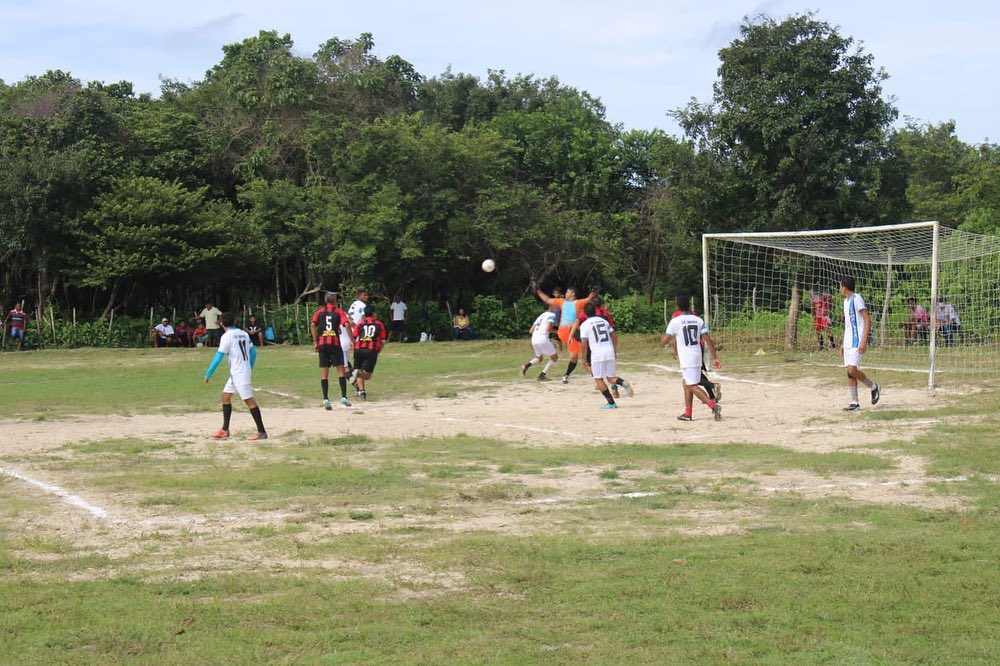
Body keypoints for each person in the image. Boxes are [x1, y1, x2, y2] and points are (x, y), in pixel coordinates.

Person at [203, 311, 267, 441]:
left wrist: (209, 373)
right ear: (234, 322)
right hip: (238, 372)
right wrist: (249, 367)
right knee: (225, 397)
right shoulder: (244, 333)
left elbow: (219, 356)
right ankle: (224, 430)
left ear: (221, 323)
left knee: (249, 400)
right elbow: (253, 352)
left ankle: (262, 432)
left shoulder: (226, 336)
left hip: (239, 373)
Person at [663, 294, 722, 421]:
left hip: (686, 358)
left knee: (691, 385)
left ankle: (713, 406)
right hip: (697, 355)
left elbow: (666, 340)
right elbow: (708, 339)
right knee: (686, 383)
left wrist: (664, 343)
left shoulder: (675, 321)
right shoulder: (698, 320)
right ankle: (688, 413)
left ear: (677, 306)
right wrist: (715, 357)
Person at [578, 301, 633, 409]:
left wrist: (583, 358)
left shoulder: (584, 325)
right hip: (609, 350)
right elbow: (614, 335)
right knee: (611, 378)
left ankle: (611, 403)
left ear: (584, 313)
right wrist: (614, 350)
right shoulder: (603, 321)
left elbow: (584, 343)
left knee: (598, 379)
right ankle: (622, 382)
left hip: (597, 353)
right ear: (595, 311)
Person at [535, 285, 596, 383]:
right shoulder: (562, 301)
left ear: (573, 293)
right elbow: (547, 299)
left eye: (567, 292)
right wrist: (538, 291)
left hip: (572, 334)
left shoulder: (578, 303)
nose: (565, 293)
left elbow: (589, 298)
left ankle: (566, 375)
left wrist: (593, 292)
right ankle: (589, 351)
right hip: (564, 330)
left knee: (574, 357)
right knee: (575, 326)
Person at [839, 276, 881, 411]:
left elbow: (867, 319)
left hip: (858, 341)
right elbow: (848, 325)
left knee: (852, 370)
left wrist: (864, 340)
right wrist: (843, 343)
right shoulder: (845, 301)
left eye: (840, 286)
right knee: (850, 372)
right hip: (848, 341)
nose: (839, 289)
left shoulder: (857, 299)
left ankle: (874, 386)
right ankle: (855, 402)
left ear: (844, 287)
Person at [311, 292, 354, 409]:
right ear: (335, 300)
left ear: (325, 301)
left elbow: (312, 325)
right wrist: (352, 340)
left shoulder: (319, 312)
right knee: (340, 370)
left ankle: (325, 399)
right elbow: (347, 325)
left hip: (322, 344)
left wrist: (315, 341)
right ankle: (344, 397)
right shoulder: (339, 312)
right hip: (334, 344)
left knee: (324, 372)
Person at [670, 304, 720, 403]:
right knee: (698, 374)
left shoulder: (676, 316)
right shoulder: (694, 315)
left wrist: (675, 348)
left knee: (691, 378)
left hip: (688, 350)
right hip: (697, 347)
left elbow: (677, 335)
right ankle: (712, 395)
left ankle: (713, 387)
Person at [349, 305, 387, 401]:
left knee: (359, 370)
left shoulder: (360, 324)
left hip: (359, 350)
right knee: (367, 375)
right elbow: (383, 341)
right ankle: (357, 376)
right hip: (371, 350)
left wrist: (353, 349)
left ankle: (361, 391)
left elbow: (354, 338)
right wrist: (379, 350)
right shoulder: (379, 324)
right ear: (373, 313)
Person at [520, 307, 559, 381]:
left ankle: (526, 366)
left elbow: (531, 331)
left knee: (539, 358)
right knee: (555, 357)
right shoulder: (552, 315)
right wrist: (558, 331)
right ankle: (542, 375)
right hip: (543, 338)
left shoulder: (540, 316)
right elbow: (548, 329)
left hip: (534, 339)